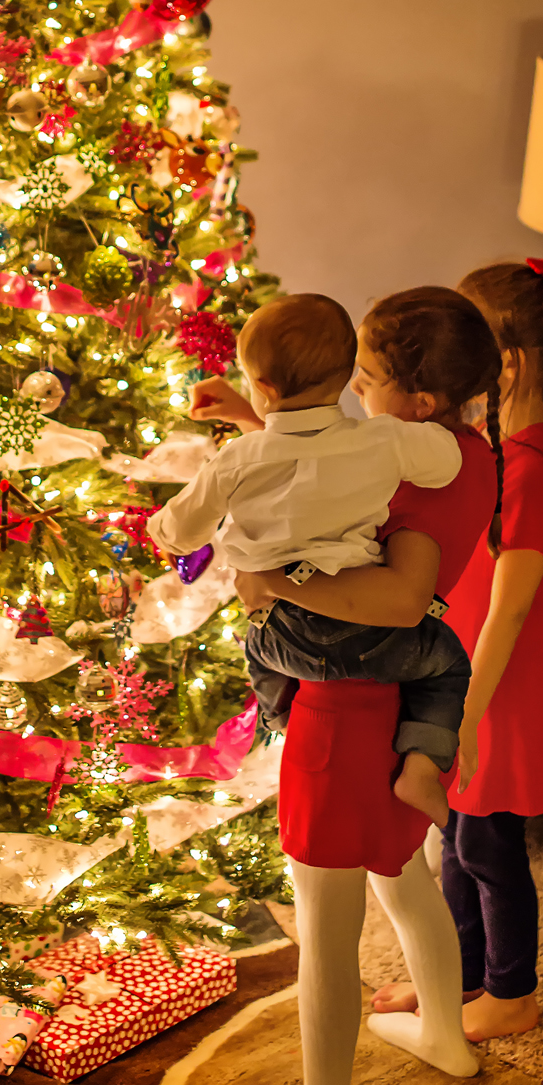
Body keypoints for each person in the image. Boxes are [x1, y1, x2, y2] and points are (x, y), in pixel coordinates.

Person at [189, 287, 506, 1085]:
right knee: (402, 877)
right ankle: (444, 1034)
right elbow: (310, 457)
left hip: (342, 715)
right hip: (401, 716)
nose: (352, 395)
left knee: (323, 930)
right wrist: (246, 419)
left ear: (421, 401)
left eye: (363, 379)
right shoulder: (459, 455)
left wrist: (274, 586)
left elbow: (401, 600)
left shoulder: (400, 465)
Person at [363, 257, 543, 1044]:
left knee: (487, 849)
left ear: (511, 364)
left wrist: (460, 714)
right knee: (452, 844)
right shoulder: (488, 448)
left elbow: (510, 610)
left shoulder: (531, 467)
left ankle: (511, 991)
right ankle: (454, 977)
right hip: (462, 684)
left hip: (498, 692)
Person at [147, 293, 466, 824]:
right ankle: (422, 766)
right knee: (447, 660)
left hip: (280, 637)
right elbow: (446, 464)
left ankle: (281, 722)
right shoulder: (382, 440)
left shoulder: (237, 459)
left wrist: (159, 526)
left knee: (251, 645)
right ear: (345, 378)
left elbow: (179, 534)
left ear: (265, 389)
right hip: (369, 635)